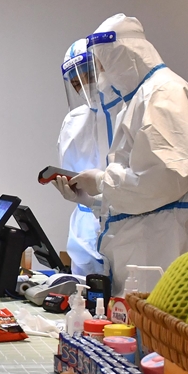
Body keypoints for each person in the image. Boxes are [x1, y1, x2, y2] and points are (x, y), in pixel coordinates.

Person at [54, 14, 188, 294]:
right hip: (143, 253)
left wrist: (102, 182)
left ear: (122, 54)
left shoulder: (164, 93)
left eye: (101, 65)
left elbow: (163, 180)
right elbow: (137, 190)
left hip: (164, 251)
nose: (100, 76)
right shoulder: (139, 100)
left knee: (160, 321)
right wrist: (92, 200)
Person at [55, 38, 115, 277]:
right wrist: (81, 196)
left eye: (88, 75)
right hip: (84, 232)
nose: (83, 86)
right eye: (75, 82)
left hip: (124, 227)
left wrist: (102, 187)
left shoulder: (126, 112)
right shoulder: (73, 122)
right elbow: (71, 173)